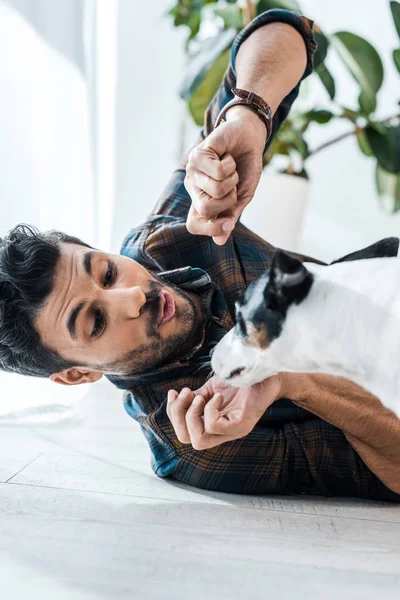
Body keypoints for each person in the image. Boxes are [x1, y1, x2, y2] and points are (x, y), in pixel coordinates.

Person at [0, 10, 399, 500]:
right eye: (95, 323)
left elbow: (288, 29)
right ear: (77, 374)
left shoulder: (166, 240)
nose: (131, 296)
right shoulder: (198, 441)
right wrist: (289, 378)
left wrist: (248, 116)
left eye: (104, 271)